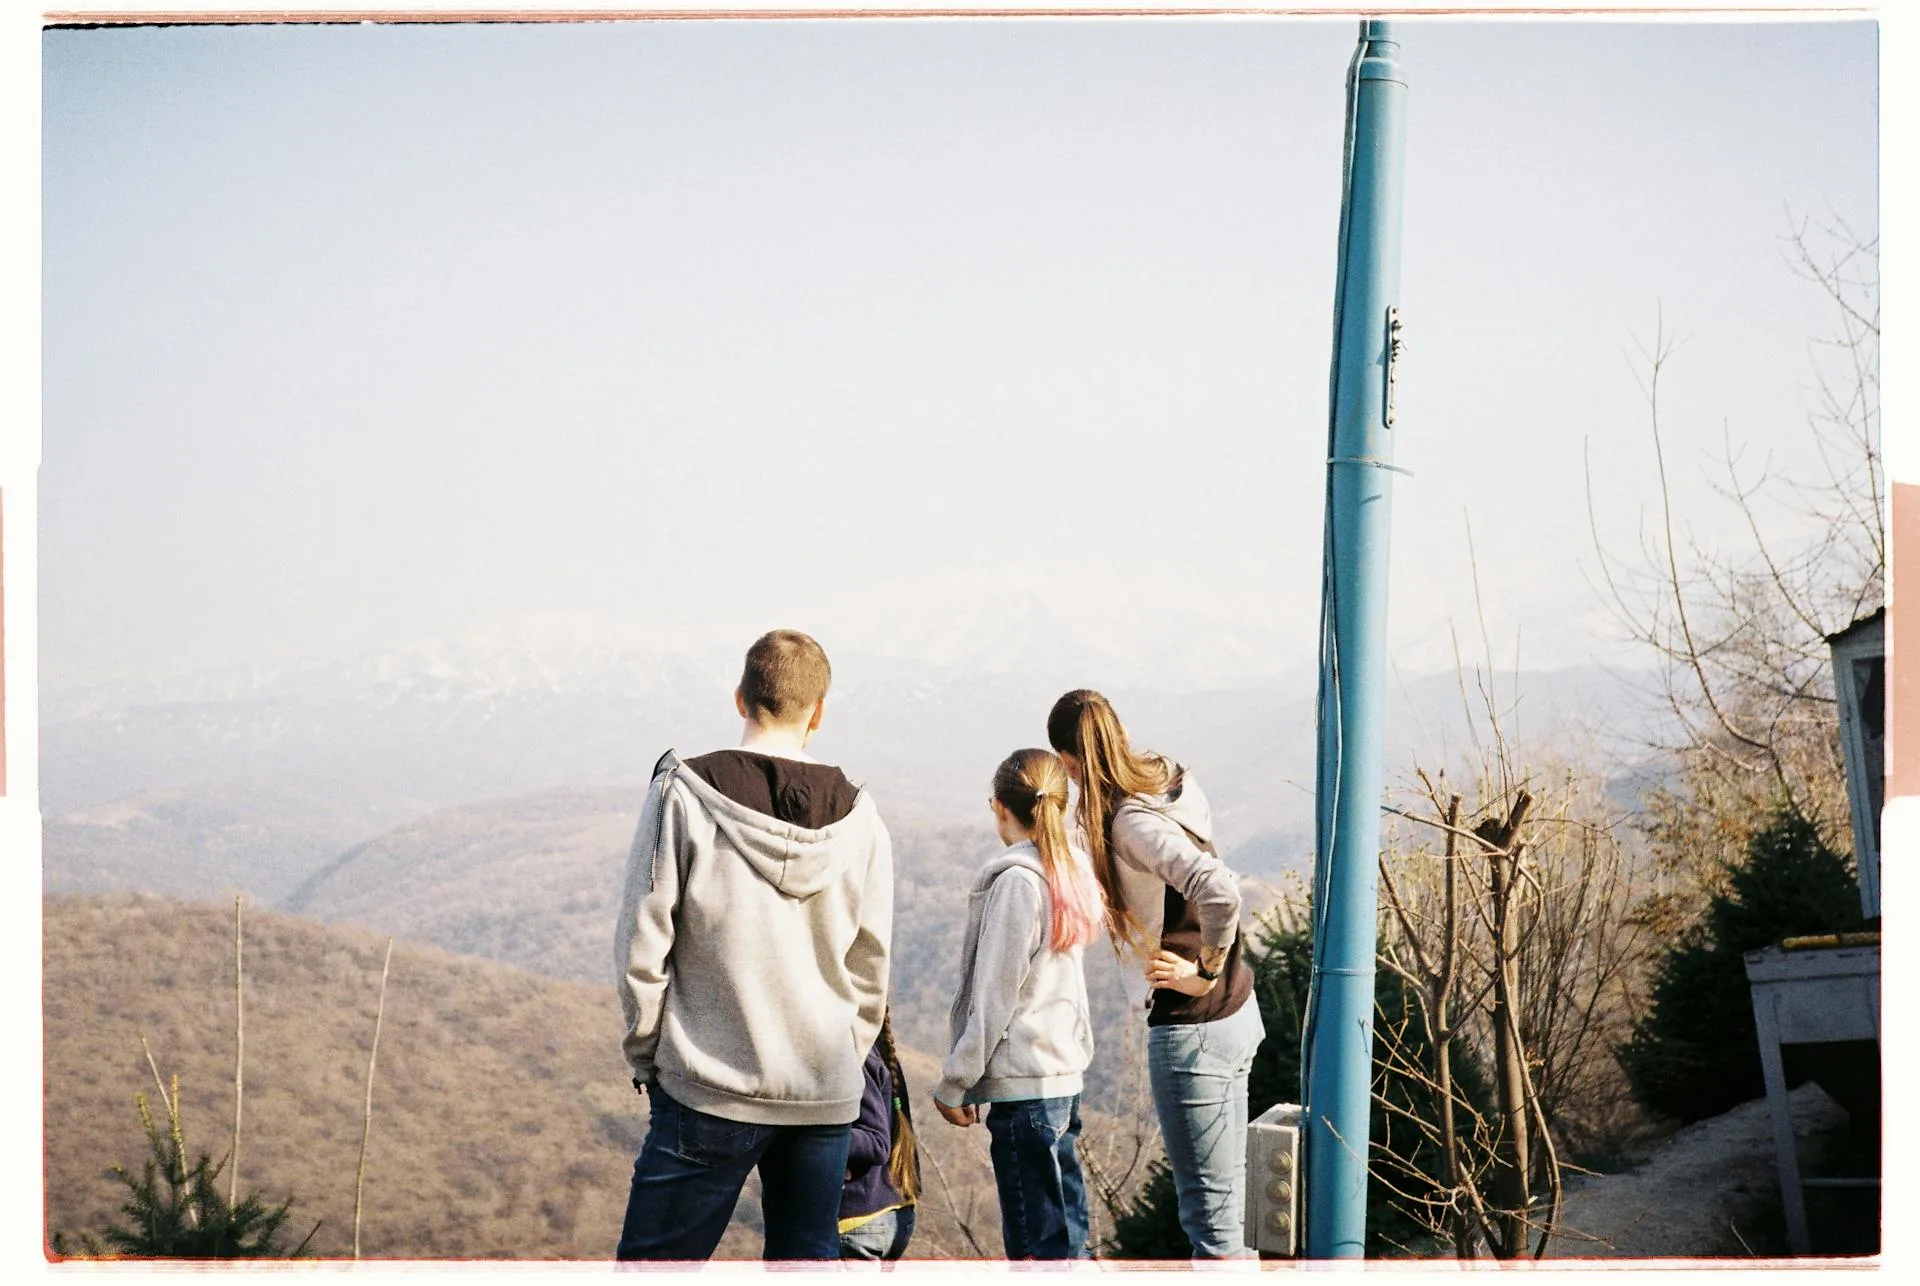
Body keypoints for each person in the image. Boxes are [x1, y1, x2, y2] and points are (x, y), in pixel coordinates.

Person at [614, 629, 893, 1262]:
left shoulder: (683, 793)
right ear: (818, 713)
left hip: (708, 1080)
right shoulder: (862, 817)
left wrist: (648, 1053)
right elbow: (872, 962)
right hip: (822, 1092)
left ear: (740, 698)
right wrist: (844, 1057)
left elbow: (642, 941)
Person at [1046, 689, 1263, 1260]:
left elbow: (1218, 889)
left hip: (1194, 1027)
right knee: (1233, 1225)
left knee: (1213, 1235)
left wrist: (1204, 973)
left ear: (1069, 762)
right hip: (1236, 1016)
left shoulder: (1129, 821)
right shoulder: (1169, 782)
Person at [932, 748, 1102, 1260]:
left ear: (999, 807)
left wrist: (956, 1081)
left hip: (1027, 1091)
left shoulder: (1017, 884)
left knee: (1035, 1251)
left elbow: (994, 996)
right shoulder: (1069, 874)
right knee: (1066, 1244)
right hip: (1061, 1080)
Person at [838, 1011, 921, 1261]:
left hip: (857, 1220)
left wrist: (814, 1140)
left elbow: (876, 1141)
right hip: (893, 1211)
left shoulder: (855, 1053)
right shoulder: (882, 1051)